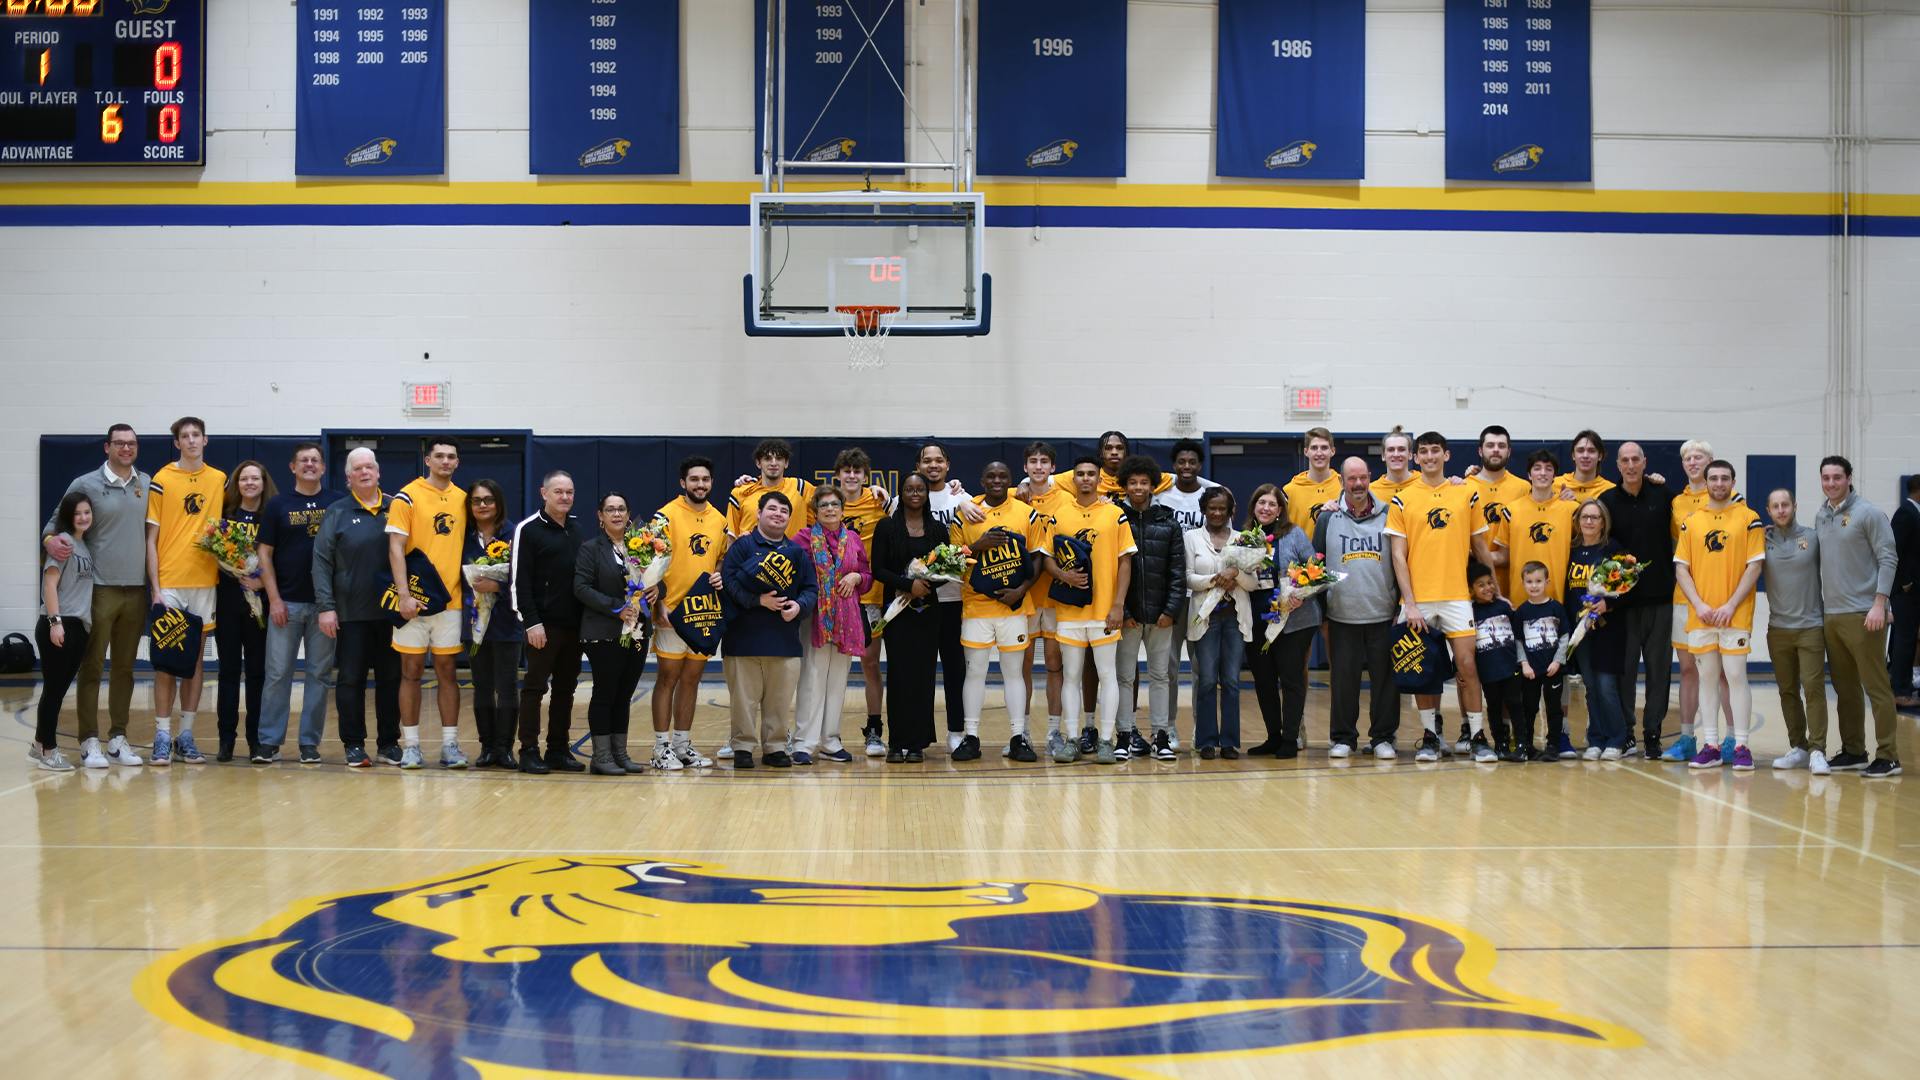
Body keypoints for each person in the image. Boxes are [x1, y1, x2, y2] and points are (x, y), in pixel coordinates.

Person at [41, 424, 150, 767]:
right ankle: (89, 740)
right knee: (91, 667)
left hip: (136, 590)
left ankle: (118, 738)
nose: (126, 448)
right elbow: (51, 528)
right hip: (99, 591)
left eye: (132, 443)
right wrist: (50, 543)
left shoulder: (147, 484)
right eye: (119, 443)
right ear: (107, 447)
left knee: (125, 669)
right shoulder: (85, 484)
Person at [1386, 432, 1497, 763]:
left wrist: (1496, 590)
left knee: (1467, 665)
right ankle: (1431, 737)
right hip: (1418, 599)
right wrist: (1410, 603)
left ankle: (1477, 735)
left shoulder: (1466, 493)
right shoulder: (1403, 498)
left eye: (1436, 451)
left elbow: (1480, 547)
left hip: (1456, 597)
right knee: (1422, 670)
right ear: (1416, 458)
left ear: (1447, 455)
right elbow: (1397, 556)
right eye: (1424, 452)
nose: (1430, 456)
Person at [1042, 456, 1137, 765]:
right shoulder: (1059, 514)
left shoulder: (1115, 514)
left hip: (1105, 611)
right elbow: (1046, 558)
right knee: (1070, 675)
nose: (1085, 478)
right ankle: (1071, 739)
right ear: (1074, 479)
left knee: (1108, 674)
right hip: (1070, 611)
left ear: (1099, 479)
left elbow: (1125, 561)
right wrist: (1062, 575)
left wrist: (1118, 605)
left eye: (1090, 474)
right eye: (1080, 474)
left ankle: (1107, 741)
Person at [144, 416, 227, 766]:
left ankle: (186, 735)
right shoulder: (162, 480)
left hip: (206, 582)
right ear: (177, 443)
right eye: (185, 436)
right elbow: (150, 539)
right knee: (166, 663)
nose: (191, 440)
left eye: (197, 435)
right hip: (171, 582)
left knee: (195, 662)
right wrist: (156, 589)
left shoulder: (220, 479)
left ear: (205, 440)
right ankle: (162, 735)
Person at [1675, 461, 1766, 772]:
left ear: (1733, 481)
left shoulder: (1749, 518)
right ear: (1706, 480)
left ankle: (1741, 745)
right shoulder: (1691, 521)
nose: (1718, 483)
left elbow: (1754, 567)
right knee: (1708, 677)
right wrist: (1699, 605)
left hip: (1735, 613)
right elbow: (1681, 568)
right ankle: (1711, 745)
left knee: (1736, 675)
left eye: (1724, 478)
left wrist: (1729, 605)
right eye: (1713, 478)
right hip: (1702, 615)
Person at [1814, 456, 1902, 777]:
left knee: (1875, 686)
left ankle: (1889, 755)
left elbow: (1888, 557)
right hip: (1832, 615)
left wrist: (1880, 603)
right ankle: (1853, 750)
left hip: (1865, 614)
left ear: (1849, 478)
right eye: (1826, 478)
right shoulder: (1822, 515)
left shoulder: (1868, 513)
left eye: (1838, 477)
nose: (1832, 483)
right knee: (1845, 688)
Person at [313, 448, 401, 768]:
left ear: (378, 473)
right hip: (350, 614)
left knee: (391, 680)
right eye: (358, 468)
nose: (365, 472)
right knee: (351, 680)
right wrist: (326, 606)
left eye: (370, 467)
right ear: (348, 477)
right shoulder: (336, 512)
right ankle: (353, 744)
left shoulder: (397, 508)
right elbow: (321, 561)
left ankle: (389, 744)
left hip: (392, 614)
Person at [946, 462, 1040, 762]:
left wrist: (1022, 589)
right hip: (976, 606)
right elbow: (952, 562)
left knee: (1014, 672)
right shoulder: (966, 512)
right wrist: (978, 545)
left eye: (1003, 476)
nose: (997, 480)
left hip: (1013, 607)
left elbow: (1038, 557)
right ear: (982, 480)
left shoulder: (1026, 512)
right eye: (991, 476)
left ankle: (1017, 737)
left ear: (1011, 480)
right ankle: (971, 737)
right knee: (975, 672)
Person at [385, 437, 468, 770]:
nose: (446, 461)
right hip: (414, 602)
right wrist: (404, 594)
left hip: (451, 602)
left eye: (451, 457)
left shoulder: (463, 499)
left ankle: (450, 745)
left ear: (457, 463)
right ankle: (412, 746)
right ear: (428, 460)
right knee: (411, 672)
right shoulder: (407, 496)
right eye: (440, 456)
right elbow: (395, 548)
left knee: (448, 671)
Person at [256, 443, 340, 765]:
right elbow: (264, 553)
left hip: (324, 606)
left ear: (322, 467)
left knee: (318, 676)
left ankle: (309, 743)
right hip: (286, 604)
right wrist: (273, 599)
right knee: (278, 674)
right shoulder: (278, 505)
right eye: (303, 460)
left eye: (314, 460)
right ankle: (269, 741)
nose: (309, 464)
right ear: (293, 467)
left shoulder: (336, 503)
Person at [721, 491, 818, 769]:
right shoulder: (742, 547)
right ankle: (742, 747)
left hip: (784, 640)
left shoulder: (797, 552)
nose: (778, 514)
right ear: (759, 513)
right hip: (743, 640)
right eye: (772, 509)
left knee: (779, 701)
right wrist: (758, 601)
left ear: (789, 518)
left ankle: (775, 747)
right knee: (743, 700)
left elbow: (811, 589)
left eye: (783, 511)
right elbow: (728, 583)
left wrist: (799, 607)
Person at [1660, 439, 1740, 763]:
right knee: (1689, 669)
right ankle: (1687, 738)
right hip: (1685, 597)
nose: (1694, 462)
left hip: (1721, 599)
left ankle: (1734, 739)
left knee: (1723, 672)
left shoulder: (1731, 500)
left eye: (1700, 457)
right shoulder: (1676, 501)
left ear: (1711, 461)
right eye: (1688, 458)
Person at [1315, 457, 1400, 759]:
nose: (1358, 484)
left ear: (1370, 478)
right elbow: (1316, 566)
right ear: (1342, 482)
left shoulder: (1390, 515)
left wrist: (1401, 606)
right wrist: (1322, 612)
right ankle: (1343, 738)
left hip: (1383, 614)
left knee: (1386, 683)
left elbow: (1402, 562)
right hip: (1341, 615)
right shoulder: (1327, 518)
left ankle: (1383, 738)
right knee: (1343, 681)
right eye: (1352, 479)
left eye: (1363, 478)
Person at [645, 457, 724, 771]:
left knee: (692, 679)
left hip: (701, 613)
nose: (700, 485)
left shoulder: (719, 519)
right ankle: (660, 747)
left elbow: (720, 559)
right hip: (671, 612)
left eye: (705, 479)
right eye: (694, 479)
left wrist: (719, 573)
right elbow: (648, 563)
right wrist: (658, 602)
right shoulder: (664, 516)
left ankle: (682, 744)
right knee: (668, 679)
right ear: (683, 483)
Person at [1599, 441, 1676, 759]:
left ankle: (1653, 732)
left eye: (1636, 459)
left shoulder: (1665, 496)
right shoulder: (1607, 501)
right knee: (1625, 672)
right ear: (1617, 465)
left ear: (1645, 463)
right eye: (1625, 460)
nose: (1630, 465)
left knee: (1659, 672)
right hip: (1624, 604)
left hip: (1660, 599)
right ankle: (1627, 732)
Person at [907, 441, 985, 751]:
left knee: (955, 670)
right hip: (918, 597)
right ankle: (919, 735)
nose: (933, 465)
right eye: (927, 460)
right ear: (919, 466)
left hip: (954, 599)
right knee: (920, 671)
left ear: (948, 465)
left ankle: (956, 731)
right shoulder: (905, 497)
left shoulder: (962, 498)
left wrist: (964, 499)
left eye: (939, 460)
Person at [511, 470, 587, 775]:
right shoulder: (527, 529)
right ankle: (528, 750)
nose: (565, 497)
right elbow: (519, 582)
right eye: (558, 492)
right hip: (542, 626)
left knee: (566, 689)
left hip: (574, 626)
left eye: (569, 492)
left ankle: (558, 749)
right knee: (534, 688)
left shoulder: (577, 529)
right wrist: (531, 623)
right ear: (544, 493)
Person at [792, 487, 873, 765]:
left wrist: (856, 578)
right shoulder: (803, 538)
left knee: (838, 681)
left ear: (842, 509)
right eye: (824, 504)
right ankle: (804, 742)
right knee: (812, 679)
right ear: (816, 510)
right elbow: (791, 573)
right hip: (814, 616)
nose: (829, 509)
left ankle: (830, 740)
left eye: (834, 504)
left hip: (846, 617)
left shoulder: (853, 538)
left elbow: (867, 574)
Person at [1114, 455, 1185, 761]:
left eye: (1144, 482)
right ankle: (1125, 735)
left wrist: (1170, 611)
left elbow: (1177, 572)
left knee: (1160, 676)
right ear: (1125, 485)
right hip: (1127, 617)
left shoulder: (1168, 522)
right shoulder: (1114, 519)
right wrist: (1124, 612)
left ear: (1153, 485)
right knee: (1124, 677)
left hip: (1160, 616)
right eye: (1133, 482)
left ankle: (1160, 735)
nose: (1139, 487)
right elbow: (1109, 570)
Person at [573, 492, 648, 776]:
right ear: (600, 516)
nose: (617, 514)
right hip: (603, 631)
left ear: (629, 515)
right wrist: (616, 608)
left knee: (625, 693)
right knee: (606, 692)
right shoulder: (591, 549)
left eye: (621, 509)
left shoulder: (642, 547)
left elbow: (656, 582)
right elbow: (581, 588)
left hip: (638, 630)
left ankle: (621, 754)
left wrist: (656, 590)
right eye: (610, 510)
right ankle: (601, 757)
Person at [1245, 483, 1319, 760]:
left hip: (1294, 620)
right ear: (1254, 506)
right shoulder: (1244, 539)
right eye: (1261, 502)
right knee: (1264, 681)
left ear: (1280, 510)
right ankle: (1273, 737)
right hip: (1257, 621)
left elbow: (1316, 571)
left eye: (1272, 504)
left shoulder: (1294, 534)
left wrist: (1300, 594)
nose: (1266, 508)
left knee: (1291, 680)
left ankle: (1290, 737)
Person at [872, 473, 942, 762]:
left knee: (923, 677)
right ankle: (896, 742)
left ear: (927, 494)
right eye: (909, 489)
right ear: (901, 493)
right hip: (898, 611)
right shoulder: (887, 526)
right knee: (899, 676)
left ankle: (916, 744)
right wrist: (907, 585)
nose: (915, 493)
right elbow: (878, 569)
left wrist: (924, 586)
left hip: (928, 611)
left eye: (920, 489)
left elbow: (949, 569)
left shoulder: (937, 529)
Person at [1762, 488, 1830, 775]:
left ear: (1794, 506)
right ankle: (1799, 747)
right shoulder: (1762, 540)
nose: (1781, 510)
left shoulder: (1813, 538)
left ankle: (1817, 750)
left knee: (1813, 689)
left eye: (1785, 505)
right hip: (1778, 629)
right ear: (1768, 511)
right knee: (1787, 691)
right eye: (1775, 506)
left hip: (1811, 627)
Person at [830, 447, 892, 755]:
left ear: (865, 476)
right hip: (834, 598)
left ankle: (874, 730)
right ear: (838, 474)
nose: (852, 476)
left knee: (869, 664)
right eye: (847, 470)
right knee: (832, 667)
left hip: (871, 597)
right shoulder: (825, 504)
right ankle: (828, 732)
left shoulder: (879, 502)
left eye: (857, 471)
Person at [1184, 487, 1252, 760]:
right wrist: (1216, 578)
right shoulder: (1191, 538)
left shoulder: (1243, 539)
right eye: (1212, 508)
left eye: (1222, 508)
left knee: (1232, 681)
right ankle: (1206, 741)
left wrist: (1235, 575)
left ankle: (1230, 742)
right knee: (1208, 680)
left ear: (1230, 511)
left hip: (1235, 619)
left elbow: (1253, 582)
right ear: (1204, 509)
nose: (1216, 512)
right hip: (1206, 619)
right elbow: (1188, 577)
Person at [1018, 441, 1075, 756]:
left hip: (1055, 596)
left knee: (1055, 665)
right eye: (1033, 461)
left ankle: (1054, 731)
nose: (1038, 467)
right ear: (1025, 466)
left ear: (1053, 468)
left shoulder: (1066, 499)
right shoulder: (1014, 496)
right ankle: (1022, 731)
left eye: (1044, 462)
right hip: (1024, 596)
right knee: (1023, 665)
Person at [213, 460, 273, 762]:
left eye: (255, 478)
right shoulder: (225, 517)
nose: (250, 483)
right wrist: (234, 570)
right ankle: (226, 739)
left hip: (260, 603)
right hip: (227, 601)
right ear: (237, 484)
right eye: (244, 479)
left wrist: (261, 581)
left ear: (263, 482)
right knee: (228, 672)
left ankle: (255, 739)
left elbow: (282, 556)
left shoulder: (271, 515)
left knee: (258, 674)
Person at [1567, 499, 1634, 760]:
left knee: (1606, 685)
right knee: (1591, 686)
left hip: (1608, 629)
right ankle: (1595, 738)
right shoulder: (1572, 550)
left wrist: (1609, 603)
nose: (1589, 522)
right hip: (1581, 629)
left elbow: (1627, 589)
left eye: (1595, 517)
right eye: (1585, 517)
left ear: (1603, 521)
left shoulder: (1613, 550)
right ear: (1578, 521)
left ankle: (1617, 739)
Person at [33, 492, 94, 770]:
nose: (83, 517)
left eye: (87, 512)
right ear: (68, 516)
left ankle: (38, 745)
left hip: (76, 625)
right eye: (78, 513)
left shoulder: (83, 545)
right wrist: (54, 622)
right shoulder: (64, 543)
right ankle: (49, 751)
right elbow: (49, 583)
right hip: (60, 623)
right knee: (54, 691)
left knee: (56, 690)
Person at [464, 479, 521, 769]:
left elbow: (524, 576)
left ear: (498, 503)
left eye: (488, 499)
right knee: (482, 685)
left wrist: (497, 587)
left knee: (507, 686)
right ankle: (487, 747)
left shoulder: (514, 533)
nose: (483, 505)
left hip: (506, 623)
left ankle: (505, 748)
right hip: (474, 623)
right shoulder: (463, 536)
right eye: (477, 500)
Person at [1513, 561, 1573, 760]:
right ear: (1523, 583)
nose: (1534, 585)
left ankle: (1553, 745)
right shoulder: (1521, 612)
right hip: (1531, 671)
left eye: (1538, 581)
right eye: (1529, 581)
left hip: (1552, 669)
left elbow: (1565, 637)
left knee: (1554, 708)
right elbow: (1518, 641)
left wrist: (1558, 661)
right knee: (1528, 708)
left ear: (1547, 582)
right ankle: (1527, 745)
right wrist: (1524, 664)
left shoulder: (1556, 608)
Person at [1500, 450, 1579, 601]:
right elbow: (1503, 555)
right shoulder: (1511, 510)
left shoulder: (1571, 509)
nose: (1543, 473)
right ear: (1529, 475)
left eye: (1548, 469)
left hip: (1558, 599)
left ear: (1554, 476)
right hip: (1520, 600)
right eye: (1537, 468)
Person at [1468, 562, 1526, 761]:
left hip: (1511, 667)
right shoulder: (1470, 612)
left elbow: (1518, 634)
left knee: (1515, 703)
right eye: (1481, 585)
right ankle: (1500, 743)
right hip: (1488, 671)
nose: (1488, 588)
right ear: (1471, 590)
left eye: (1490, 582)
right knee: (1493, 705)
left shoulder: (1504, 606)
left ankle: (1521, 743)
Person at [726, 437, 814, 540]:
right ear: (758, 463)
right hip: (751, 555)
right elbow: (731, 536)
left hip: (791, 555)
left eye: (779, 458)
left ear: (786, 463)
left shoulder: (801, 488)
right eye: (767, 458)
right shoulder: (741, 492)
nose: (773, 463)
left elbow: (829, 511)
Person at [1891, 473, 1919, 707]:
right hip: (1905, 592)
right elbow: (1893, 551)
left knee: (1907, 640)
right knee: (1904, 640)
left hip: (1913, 591)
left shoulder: (1914, 513)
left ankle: (1905, 685)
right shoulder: (1905, 514)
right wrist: (1905, 583)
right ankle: (1900, 690)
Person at [1283, 428, 1341, 536]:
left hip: (1336, 552)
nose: (1319, 453)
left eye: (1324, 448)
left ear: (1332, 451)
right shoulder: (1289, 490)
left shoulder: (1344, 486)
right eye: (1314, 448)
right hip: (1300, 553)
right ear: (1306, 451)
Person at [1157, 438, 1218, 533]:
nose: (1187, 466)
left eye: (1192, 462)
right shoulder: (1160, 496)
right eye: (1181, 462)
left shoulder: (1209, 497)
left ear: (1200, 466)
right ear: (1174, 465)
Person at [1554, 430, 1617, 501]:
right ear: (1573, 455)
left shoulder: (1611, 490)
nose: (1585, 456)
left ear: (1600, 456)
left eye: (1591, 451)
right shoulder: (1555, 485)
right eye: (1580, 450)